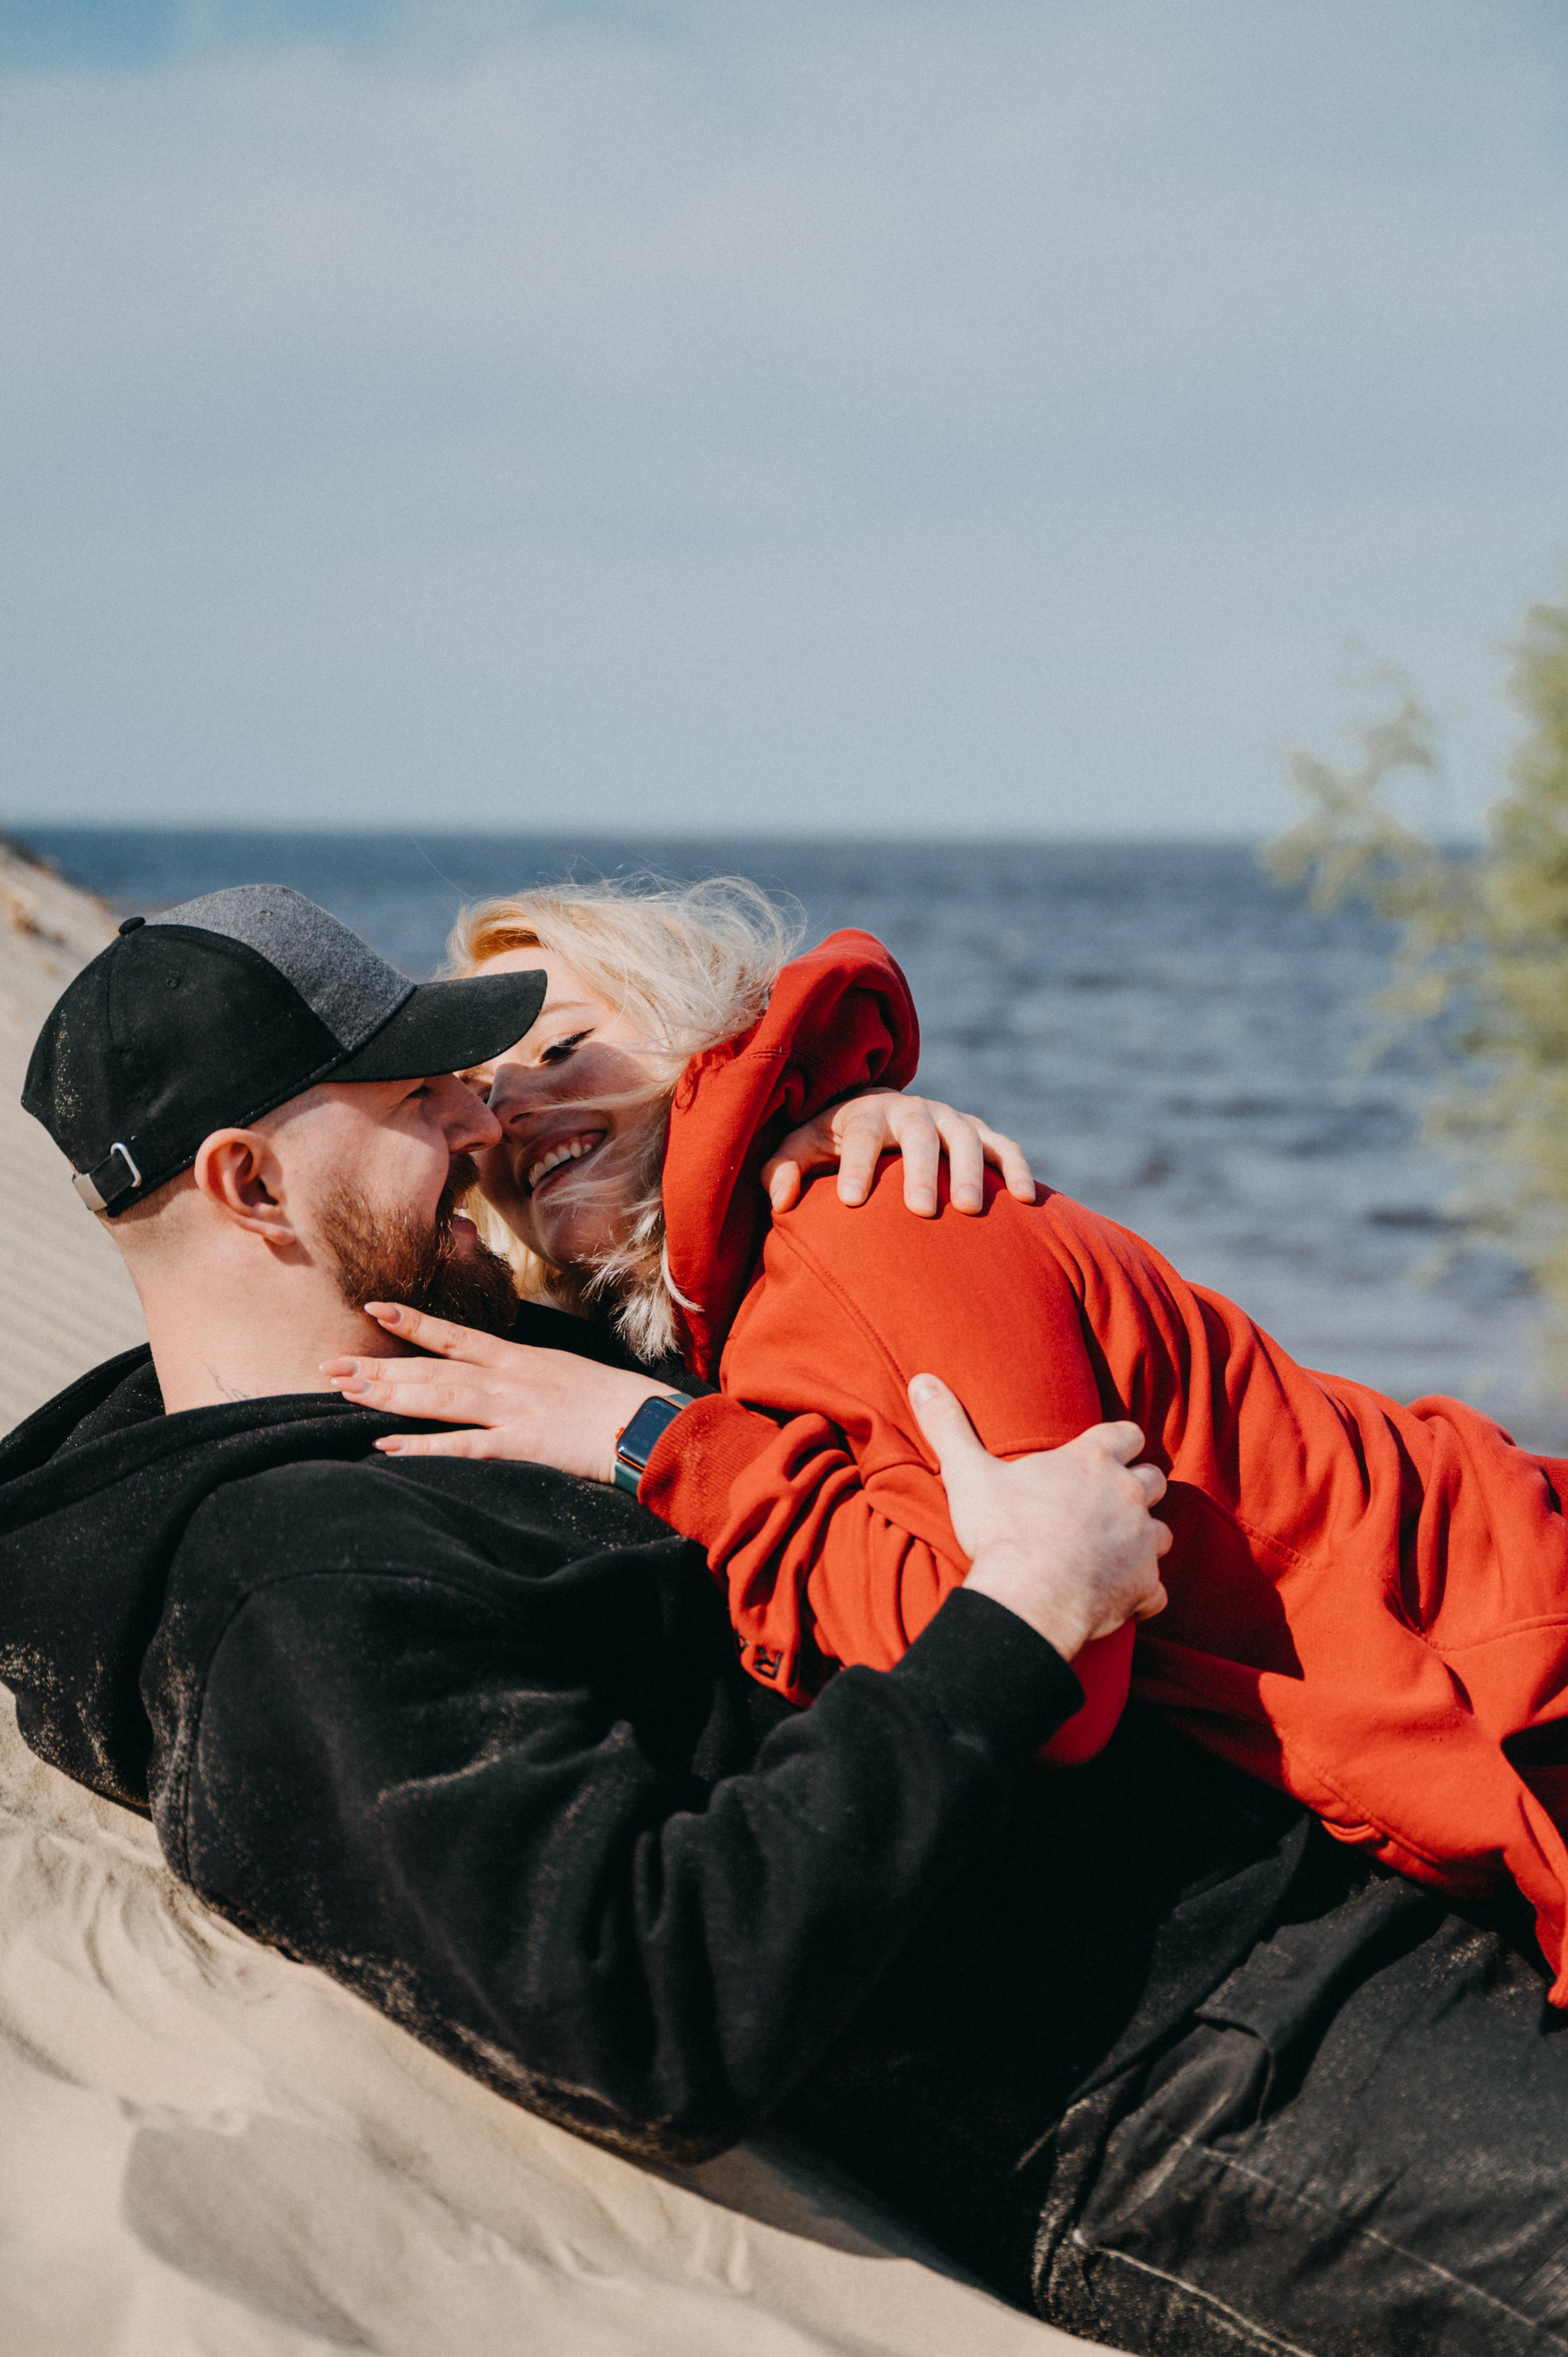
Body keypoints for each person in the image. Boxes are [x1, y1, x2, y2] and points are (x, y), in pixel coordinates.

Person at [10, 884, 1568, 2356]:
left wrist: (812, 1129)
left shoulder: (482, 1359)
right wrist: (1015, 1613)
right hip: (1190, 2075)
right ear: (250, 1184)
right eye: (420, 1098)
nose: (480, 1120)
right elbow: (637, 1999)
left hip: (1337, 1881)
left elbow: (764, 1321)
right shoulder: (294, 1579)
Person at [323, 878, 1568, 2001]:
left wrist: (661, 1446)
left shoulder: (865, 1219)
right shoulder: (761, 1273)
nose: (511, 1109)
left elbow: (1044, 1671)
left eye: (561, 1047)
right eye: (481, 1093)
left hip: (1516, 1669)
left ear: (699, 1034)